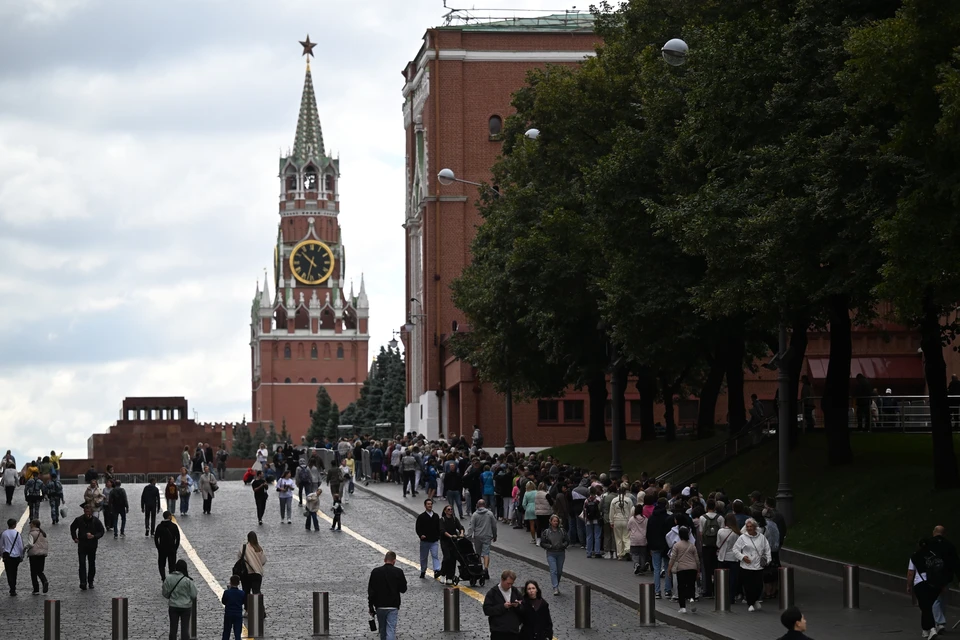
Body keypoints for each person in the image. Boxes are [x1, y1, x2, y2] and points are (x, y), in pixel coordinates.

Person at [367, 550, 408, 640]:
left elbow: (371, 591)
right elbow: (403, 589)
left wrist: (370, 607)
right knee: (391, 629)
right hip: (393, 605)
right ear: (394, 561)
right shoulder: (398, 572)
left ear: (384, 560)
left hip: (379, 606)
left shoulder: (375, 572)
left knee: (382, 630)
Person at [733, 518, 771, 612]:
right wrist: (742, 557)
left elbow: (767, 549)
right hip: (746, 566)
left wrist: (768, 560)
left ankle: (755, 600)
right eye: (748, 527)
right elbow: (735, 549)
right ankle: (750, 603)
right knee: (748, 586)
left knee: (758, 586)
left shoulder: (761, 537)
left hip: (758, 566)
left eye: (751, 526)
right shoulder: (742, 538)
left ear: (755, 527)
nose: (749, 528)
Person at [70, 503, 105, 590]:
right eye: (86, 511)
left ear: (91, 512)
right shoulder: (79, 520)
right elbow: (72, 528)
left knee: (91, 563)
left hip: (92, 545)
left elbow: (101, 531)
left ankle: (90, 581)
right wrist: (75, 538)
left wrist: (94, 536)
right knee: (82, 563)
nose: (87, 513)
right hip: (82, 544)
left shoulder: (96, 521)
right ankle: (83, 582)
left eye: (88, 512)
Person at [162, 559, 198, 640]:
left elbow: (165, 593)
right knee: (185, 629)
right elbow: (194, 594)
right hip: (185, 607)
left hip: (173, 606)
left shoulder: (169, 578)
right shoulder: (187, 580)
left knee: (173, 629)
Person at [667, 525, 700, 613]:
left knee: (681, 587)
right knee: (691, 585)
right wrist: (698, 570)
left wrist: (669, 569)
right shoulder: (692, 546)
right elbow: (697, 559)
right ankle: (692, 598)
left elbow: (673, 558)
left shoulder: (677, 545)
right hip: (692, 568)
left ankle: (683, 607)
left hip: (681, 568)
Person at [483, 569, 523, 640]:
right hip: (498, 631)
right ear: (502, 580)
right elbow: (487, 610)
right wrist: (503, 607)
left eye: (511, 584)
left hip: (513, 631)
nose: (510, 586)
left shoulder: (515, 592)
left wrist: (517, 606)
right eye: (508, 583)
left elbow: (524, 607)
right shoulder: (493, 593)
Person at [467, 499, 498, 579]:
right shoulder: (490, 514)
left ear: (477, 505)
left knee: (478, 553)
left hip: (478, 536)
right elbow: (494, 525)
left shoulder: (475, 514)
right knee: (486, 553)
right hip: (487, 535)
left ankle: (480, 569)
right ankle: (486, 568)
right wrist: (494, 535)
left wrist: (468, 536)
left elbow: (471, 526)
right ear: (485, 505)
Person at [237, 531, 266, 618]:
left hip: (247, 574)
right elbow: (263, 560)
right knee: (257, 592)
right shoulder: (259, 548)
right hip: (257, 573)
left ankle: (247, 610)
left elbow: (239, 558)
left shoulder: (244, 547)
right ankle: (261, 610)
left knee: (246, 592)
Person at [540, 515, 568, 595]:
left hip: (560, 553)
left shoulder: (562, 531)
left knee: (559, 571)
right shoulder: (546, 532)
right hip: (551, 553)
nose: (555, 523)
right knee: (553, 570)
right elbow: (542, 543)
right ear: (551, 521)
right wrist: (549, 546)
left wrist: (563, 545)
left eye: (557, 521)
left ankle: (556, 584)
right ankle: (555, 587)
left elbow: (567, 540)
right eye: (554, 521)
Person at [416, 499, 441, 580]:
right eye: (428, 504)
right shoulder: (421, 517)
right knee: (424, 557)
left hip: (434, 540)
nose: (430, 505)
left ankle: (437, 570)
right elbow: (418, 527)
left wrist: (438, 536)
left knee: (435, 555)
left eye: (431, 504)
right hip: (425, 541)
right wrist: (421, 535)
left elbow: (439, 527)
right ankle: (423, 570)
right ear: (425, 506)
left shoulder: (436, 516)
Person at [439, 504, 464, 585]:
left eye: (451, 509)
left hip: (454, 542)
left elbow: (460, 527)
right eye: (448, 509)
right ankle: (443, 574)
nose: (450, 511)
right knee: (447, 558)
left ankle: (450, 577)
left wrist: (461, 533)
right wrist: (450, 536)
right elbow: (442, 530)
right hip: (445, 541)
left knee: (453, 559)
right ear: (445, 511)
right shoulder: (442, 520)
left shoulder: (454, 519)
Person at [609, 482, 634, 561]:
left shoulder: (614, 500)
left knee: (618, 538)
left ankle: (620, 554)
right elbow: (632, 511)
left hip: (616, 520)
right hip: (626, 520)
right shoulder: (629, 500)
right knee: (626, 537)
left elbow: (611, 512)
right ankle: (627, 550)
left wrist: (611, 521)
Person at [24, 519, 49, 595]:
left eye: (31, 523)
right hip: (42, 554)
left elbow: (30, 544)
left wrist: (25, 547)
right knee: (40, 570)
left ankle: (36, 589)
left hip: (34, 554)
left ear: (34, 524)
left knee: (33, 572)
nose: (30, 525)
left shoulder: (32, 533)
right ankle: (44, 581)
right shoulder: (42, 533)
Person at [0, 518, 24, 596]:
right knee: (14, 572)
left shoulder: (4, 533)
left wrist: (2, 554)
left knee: (9, 572)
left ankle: (11, 587)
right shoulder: (17, 534)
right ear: (14, 525)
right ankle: (13, 587)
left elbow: (1, 545)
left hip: (7, 556)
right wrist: (21, 555)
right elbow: (20, 546)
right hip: (16, 556)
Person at [154, 511, 180, 580]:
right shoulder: (174, 526)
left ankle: (163, 578)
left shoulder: (159, 526)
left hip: (162, 549)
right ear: (169, 516)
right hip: (172, 549)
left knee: (161, 565)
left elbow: (156, 538)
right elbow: (178, 538)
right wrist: (175, 548)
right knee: (172, 566)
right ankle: (171, 579)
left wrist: (158, 547)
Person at [221, 575, 245, 640]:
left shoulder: (227, 592)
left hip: (228, 613)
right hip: (238, 614)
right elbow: (243, 602)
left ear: (230, 582)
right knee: (237, 632)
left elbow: (224, 601)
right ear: (239, 583)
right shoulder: (242, 593)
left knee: (226, 631)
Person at [628, 503, 649, 576]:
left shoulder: (632, 519)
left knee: (634, 553)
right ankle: (642, 567)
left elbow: (628, 528)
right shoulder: (645, 519)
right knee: (642, 554)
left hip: (634, 539)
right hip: (643, 539)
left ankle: (636, 564)